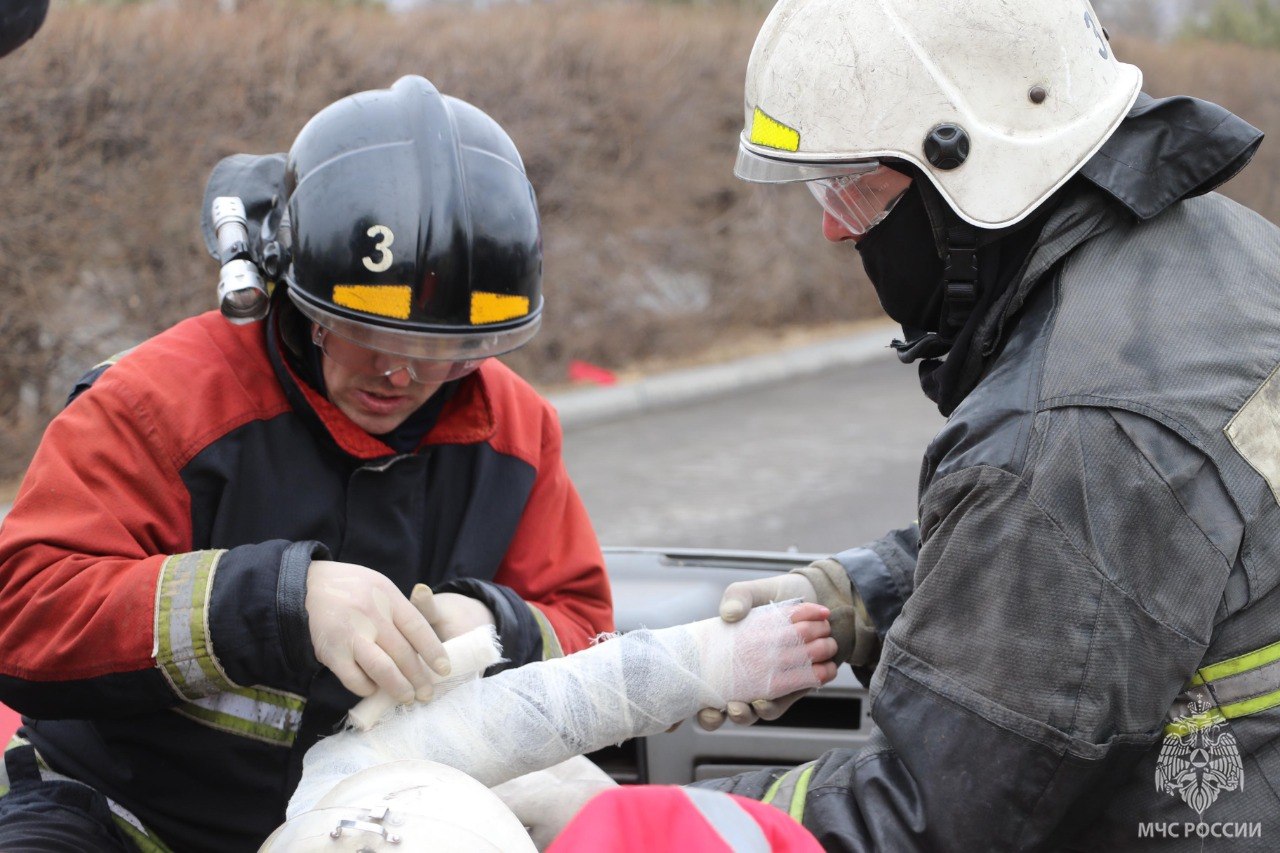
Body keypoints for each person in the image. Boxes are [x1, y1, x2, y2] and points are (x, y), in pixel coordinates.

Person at [683, 0, 1280, 849]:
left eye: (848, 185)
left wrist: (637, 822)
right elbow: (1145, 545)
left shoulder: (1072, 430)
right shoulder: (1224, 262)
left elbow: (928, 813)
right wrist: (862, 595)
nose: (829, 226)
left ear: (968, 167)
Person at [0, 74, 613, 852]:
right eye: (367, 337)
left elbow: (586, 630)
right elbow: (21, 611)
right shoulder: (161, 406)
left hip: (379, 824)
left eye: (449, 352)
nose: (403, 376)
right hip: (127, 816)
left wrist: (497, 625)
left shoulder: (514, 431)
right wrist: (279, 600)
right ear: (287, 290)